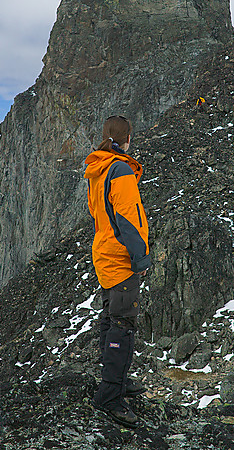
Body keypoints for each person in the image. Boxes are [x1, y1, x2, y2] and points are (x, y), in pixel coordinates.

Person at [83, 115, 152, 427]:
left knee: (111, 318)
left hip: (104, 251)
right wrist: (140, 258)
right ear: (127, 138)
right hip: (120, 255)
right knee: (122, 324)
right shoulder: (121, 169)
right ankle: (110, 395)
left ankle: (113, 379)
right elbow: (127, 217)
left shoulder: (100, 168)